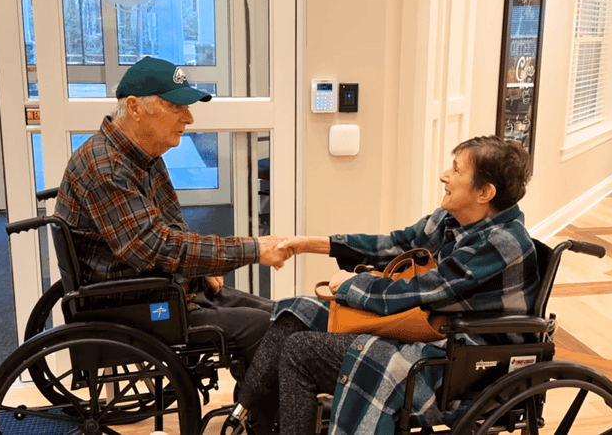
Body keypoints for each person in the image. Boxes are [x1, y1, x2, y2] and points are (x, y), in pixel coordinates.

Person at [222, 135, 538, 435]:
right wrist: (309, 244)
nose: (444, 175)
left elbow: (424, 290)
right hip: (424, 327)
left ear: (484, 193)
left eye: (456, 170)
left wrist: (353, 286)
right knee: (296, 314)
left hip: (459, 361)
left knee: (300, 351)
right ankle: (245, 417)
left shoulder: (502, 242)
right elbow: (394, 244)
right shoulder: (452, 219)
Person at [54, 56, 292, 366]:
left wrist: (201, 267)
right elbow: (156, 249)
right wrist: (253, 249)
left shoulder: (145, 154)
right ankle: (257, 398)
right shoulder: (107, 168)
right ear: (135, 108)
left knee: (284, 315)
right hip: (136, 303)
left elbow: (171, 228)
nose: (189, 118)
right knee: (269, 329)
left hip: (163, 287)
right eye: (176, 107)